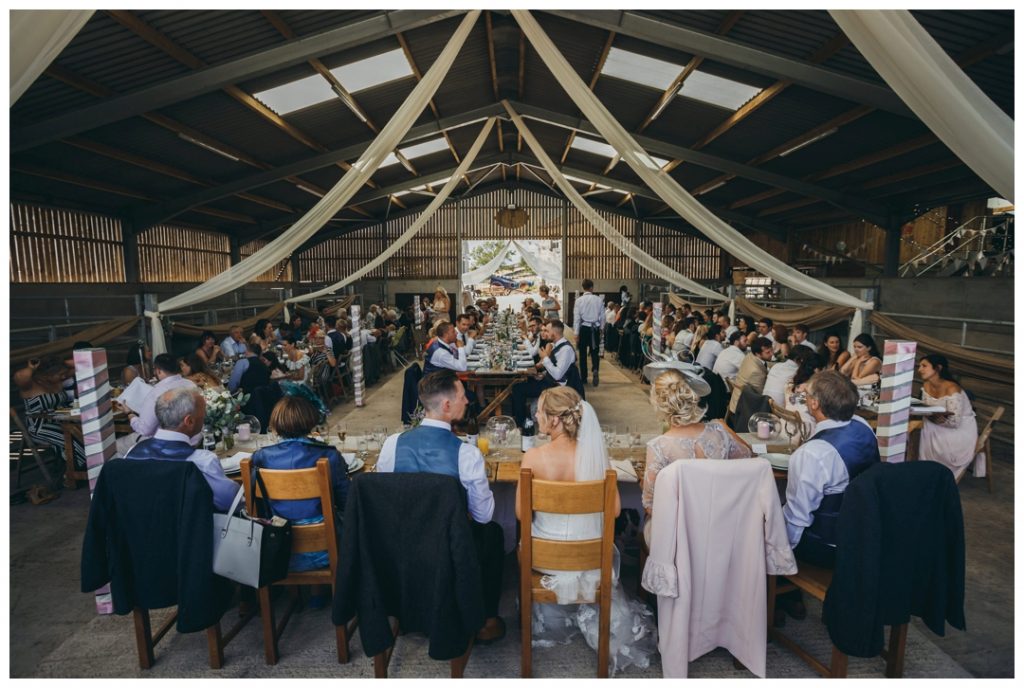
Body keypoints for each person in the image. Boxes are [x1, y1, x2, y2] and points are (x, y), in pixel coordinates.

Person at [517, 385, 657, 674]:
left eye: (540, 411)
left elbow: (521, 514)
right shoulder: (595, 457)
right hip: (591, 557)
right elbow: (616, 511)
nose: (537, 416)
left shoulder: (532, 458)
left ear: (555, 420)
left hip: (544, 559)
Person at [376, 370, 506, 644]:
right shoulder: (466, 453)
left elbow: (387, 498)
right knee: (493, 532)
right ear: (447, 405)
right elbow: (483, 516)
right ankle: (485, 619)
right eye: (462, 396)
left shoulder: (391, 445)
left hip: (400, 547)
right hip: (448, 552)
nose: (468, 400)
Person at [783, 370, 880, 570]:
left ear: (814, 403)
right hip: (865, 536)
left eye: (807, 395)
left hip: (828, 546)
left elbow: (798, 519)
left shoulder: (812, 453)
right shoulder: (863, 426)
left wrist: (782, 554)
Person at [643, 369, 751, 545]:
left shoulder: (659, 446)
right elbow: (748, 456)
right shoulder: (719, 433)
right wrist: (724, 427)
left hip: (678, 536)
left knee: (648, 521)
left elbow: (651, 506)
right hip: (720, 529)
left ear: (658, 404)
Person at [252, 396, 350, 574]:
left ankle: (294, 593)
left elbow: (256, 505)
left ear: (275, 424)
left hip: (277, 546)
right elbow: (347, 502)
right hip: (324, 547)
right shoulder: (328, 455)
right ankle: (323, 591)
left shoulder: (261, 457)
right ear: (310, 421)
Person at [123, 386, 240, 512]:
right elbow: (232, 503)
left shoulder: (132, 453)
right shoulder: (202, 462)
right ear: (189, 421)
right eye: (203, 412)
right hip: (188, 529)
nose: (205, 416)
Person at [14, 355, 87, 470]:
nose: (64, 376)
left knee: (87, 433)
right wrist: (31, 368)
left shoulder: (55, 380)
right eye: (60, 374)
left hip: (63, 422)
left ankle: (78, 467)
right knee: (73, 438)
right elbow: (19, 376)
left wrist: (61, 362)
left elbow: (84, 365)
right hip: (40, 426)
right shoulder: (30, 385)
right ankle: (79, 469)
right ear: (48, 373)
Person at [511, 319, 584, 428]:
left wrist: (545, 358)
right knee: (519, 384)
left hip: (558, 387)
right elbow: (555, 368)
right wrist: (543, 374)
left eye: (546, 330)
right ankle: (520, 417)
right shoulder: (556, 345)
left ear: (554, 333)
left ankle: (521, 423)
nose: (544, 333)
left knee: (518, 389)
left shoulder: (566, 349)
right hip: (550, 381)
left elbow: (558, 375)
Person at [917, 354, 980, 479]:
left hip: (961, 429)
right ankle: (926, 469)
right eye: (919, 366)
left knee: (924, 427)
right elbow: (925, 411)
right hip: (937, 423)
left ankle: (937, 471)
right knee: (921, 427)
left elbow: (954, 422)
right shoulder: (926, 385)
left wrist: (931, 417)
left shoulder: (952, 388)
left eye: (924, 366)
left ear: (938, 368)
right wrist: (931, 417)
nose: (919, 369)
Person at [128, 353, 197, 439]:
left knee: (118, 445)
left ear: (158, 371)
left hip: (167, 443)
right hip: (195, 438)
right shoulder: (191, 385)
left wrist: (130, 415)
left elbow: (145, 430)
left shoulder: (157, 392)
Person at [780, 352, 824, 444]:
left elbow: (788, 405)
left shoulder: (790, 384)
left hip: (784, 428)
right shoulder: (813, 389)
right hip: (803, 433)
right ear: (816, 370)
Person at [728, 336, 774, 414]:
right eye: (768, 352)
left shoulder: (750, 355)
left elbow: (764, 364)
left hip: (736, 399)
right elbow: (762, 395)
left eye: (771, 350)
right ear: (757, 353)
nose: (772, 354)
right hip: (743, 408)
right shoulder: (756, 372)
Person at [573, 278, 605, 387]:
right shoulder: (598, 300)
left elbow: (576, 318)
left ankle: (584, 378)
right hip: (595, 328)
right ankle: (595, 369)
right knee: (594, 352)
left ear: (583, 288)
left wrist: (576, 333)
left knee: (582, 354)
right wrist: (601, 328)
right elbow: (603, 317)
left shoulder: (579, 300)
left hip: (584, 328)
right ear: (592, 287)